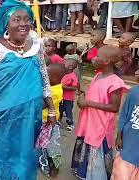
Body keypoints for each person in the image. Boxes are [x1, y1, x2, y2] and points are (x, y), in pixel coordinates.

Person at [0, 0, 56, 178]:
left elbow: (44, 79)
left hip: (31, 116)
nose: (23, 23)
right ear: (6, 23)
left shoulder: (36, 46)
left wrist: (52, 109)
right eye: (17, 19)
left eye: (27, 19)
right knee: (3, 159)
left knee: (27, 159)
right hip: (0, 120)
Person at [72, 45, 127, 180]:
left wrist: (88, 103)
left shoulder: (115, 83)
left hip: (100, 125)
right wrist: (83, 98)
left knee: (97, 148)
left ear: (107, 61)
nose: (93, 58)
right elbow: (93, 95)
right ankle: (83, 173)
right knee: (86, 143)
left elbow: (114, 107)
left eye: (97, 56)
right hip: (89, 121)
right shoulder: (97, 76)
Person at [111, 83, 139, 180]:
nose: (136, 72)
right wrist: (119, 136)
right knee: (121, 173)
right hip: (128, 145)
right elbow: (124, 115)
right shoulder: (133, 93)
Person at [59, 59, 78, 131]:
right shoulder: (63, 73)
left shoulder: (73, 77)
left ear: (70, 67)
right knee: (60, 109)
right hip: (61, 96)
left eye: (65, 64)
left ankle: (70, 123)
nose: (63, 64)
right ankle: (58, 121)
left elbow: (74, 88)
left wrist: (64, 87)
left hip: (68, 98)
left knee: (68, 111)